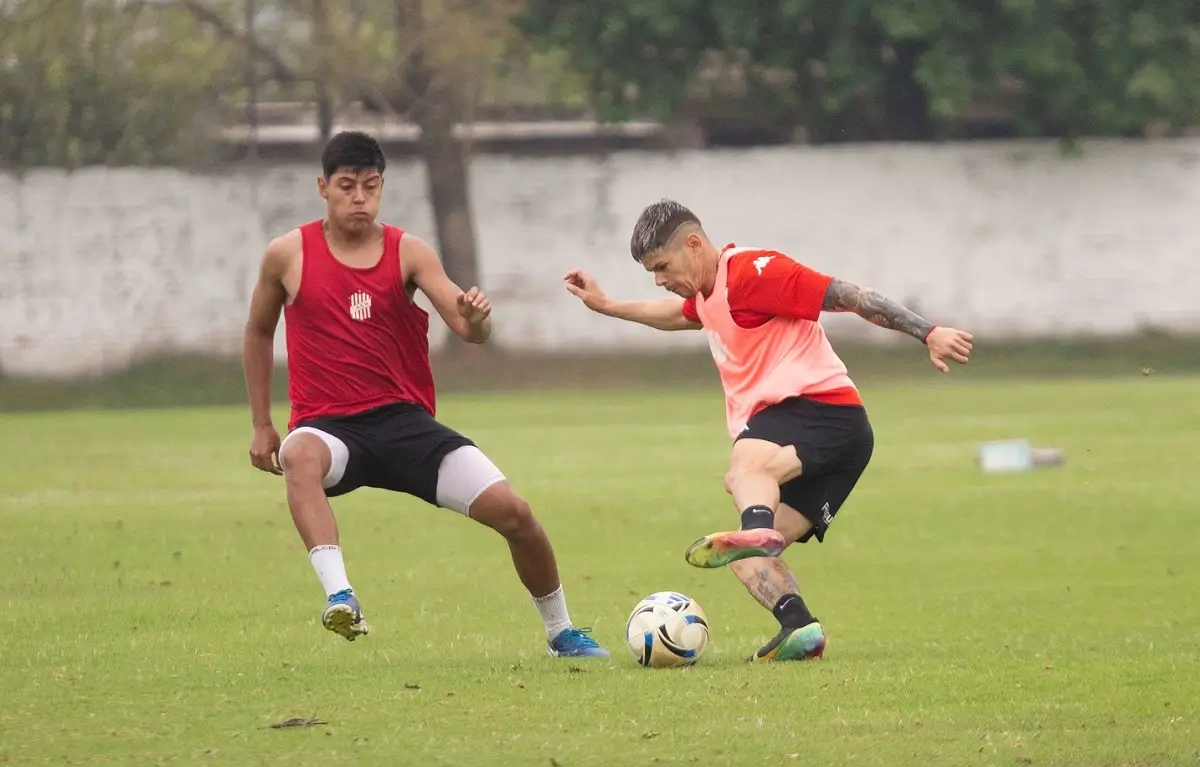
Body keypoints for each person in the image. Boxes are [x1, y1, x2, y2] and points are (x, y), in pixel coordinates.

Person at [242, 130, 608, 658]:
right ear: (323, 187)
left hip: (405, 425)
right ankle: (340, 596)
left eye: (371, 186)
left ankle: (562, 632)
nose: (360, 198)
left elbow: (467, 328)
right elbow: (257, 331)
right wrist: (261, 423)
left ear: (382, 187)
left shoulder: (408, 251)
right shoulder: (287, 255)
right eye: (347, 186)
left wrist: (478, 318)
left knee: (517, 514)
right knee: (299, 452)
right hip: (330, 428)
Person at [564, 199, 973, 663]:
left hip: (820, 409)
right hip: (842, 440)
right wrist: (608, 306)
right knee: (741, 554)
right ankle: (799, 627)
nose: (660, 280)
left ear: (694, 244)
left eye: (662, 266)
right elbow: (679, 315)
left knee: (744, 474)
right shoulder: (707, 293)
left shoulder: (755, 273)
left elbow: (852, 295)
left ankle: (756, 529)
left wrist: (928, 333)